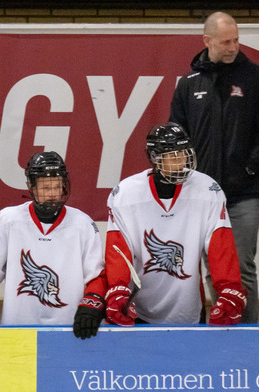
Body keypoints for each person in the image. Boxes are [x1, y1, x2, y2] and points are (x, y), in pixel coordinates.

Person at [169, 12, 259, 323]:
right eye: (225, 42)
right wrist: (188, 178)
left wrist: (251, 167)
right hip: (202, 196)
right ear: (207, 41)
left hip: (245, 193)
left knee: (241, 265)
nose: (233, 46)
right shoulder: (188, 85)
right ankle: (221, 333)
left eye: (236, 39)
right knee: (213, 267)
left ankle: (247, 336)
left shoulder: (258, 78)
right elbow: (176, 138)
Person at [104, 123, 245, 326]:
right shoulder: (125, 195)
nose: (180, 160)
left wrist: (229, 290)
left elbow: (221, 249)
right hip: (140, 310)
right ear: (154, 157)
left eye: (183, 153)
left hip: (189, 310)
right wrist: (117, 291)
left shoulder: (208, 191)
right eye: (172, 155)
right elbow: (118, 252)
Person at [0, 152, 106, 339]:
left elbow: (97, 276)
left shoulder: (83, 224)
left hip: (70, 332)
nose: (53, 194)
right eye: (46, 187)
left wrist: (92, 303)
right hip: (18, 332)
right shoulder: (9, 219)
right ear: (31, 187)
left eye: (57, 186)